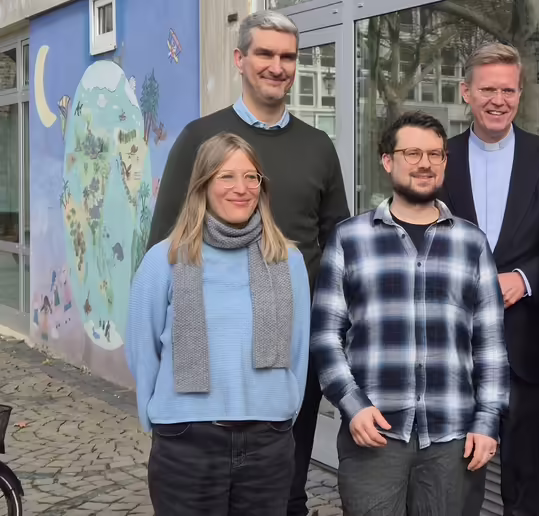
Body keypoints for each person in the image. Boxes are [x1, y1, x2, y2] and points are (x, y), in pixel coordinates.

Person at [146, 11, 350, 515]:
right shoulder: (199, 138)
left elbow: (337, 246)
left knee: (286, 493)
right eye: (265, 54)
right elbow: (165, 245)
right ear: (240, 59)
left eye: (288, 57)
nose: (277, 66)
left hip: (287, 355)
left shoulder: (318, 146)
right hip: (207, 368)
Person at [310, 111, 509, 516]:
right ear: (388, 161)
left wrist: (488, 419)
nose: (425, 164)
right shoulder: (350, 238)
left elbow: (489, 343)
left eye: (436, 154)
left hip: (453, 439)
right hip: (374, 432)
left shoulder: (472, 242)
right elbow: (326, 337)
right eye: (412, 153)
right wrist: (351, 403)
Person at [126, 132, 312, 515]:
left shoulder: (288, 262)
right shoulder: (164, 260)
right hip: (186, 441)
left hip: (268, 442)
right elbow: (142, 349)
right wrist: (161, 418)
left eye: (251, 177)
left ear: (262, 186)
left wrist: (281, 409)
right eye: (226, 176)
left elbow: (298, 350)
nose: (241, 188)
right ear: (204, 184)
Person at [438, 42, 539, 516]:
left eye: (508, 90)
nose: (498, 100)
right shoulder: (438, 157)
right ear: (466, 92)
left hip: (528, 352)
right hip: (453, 353)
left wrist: (524, 277)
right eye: (487, 90)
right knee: (451, 490)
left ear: (520, 94)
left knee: (524, 492)